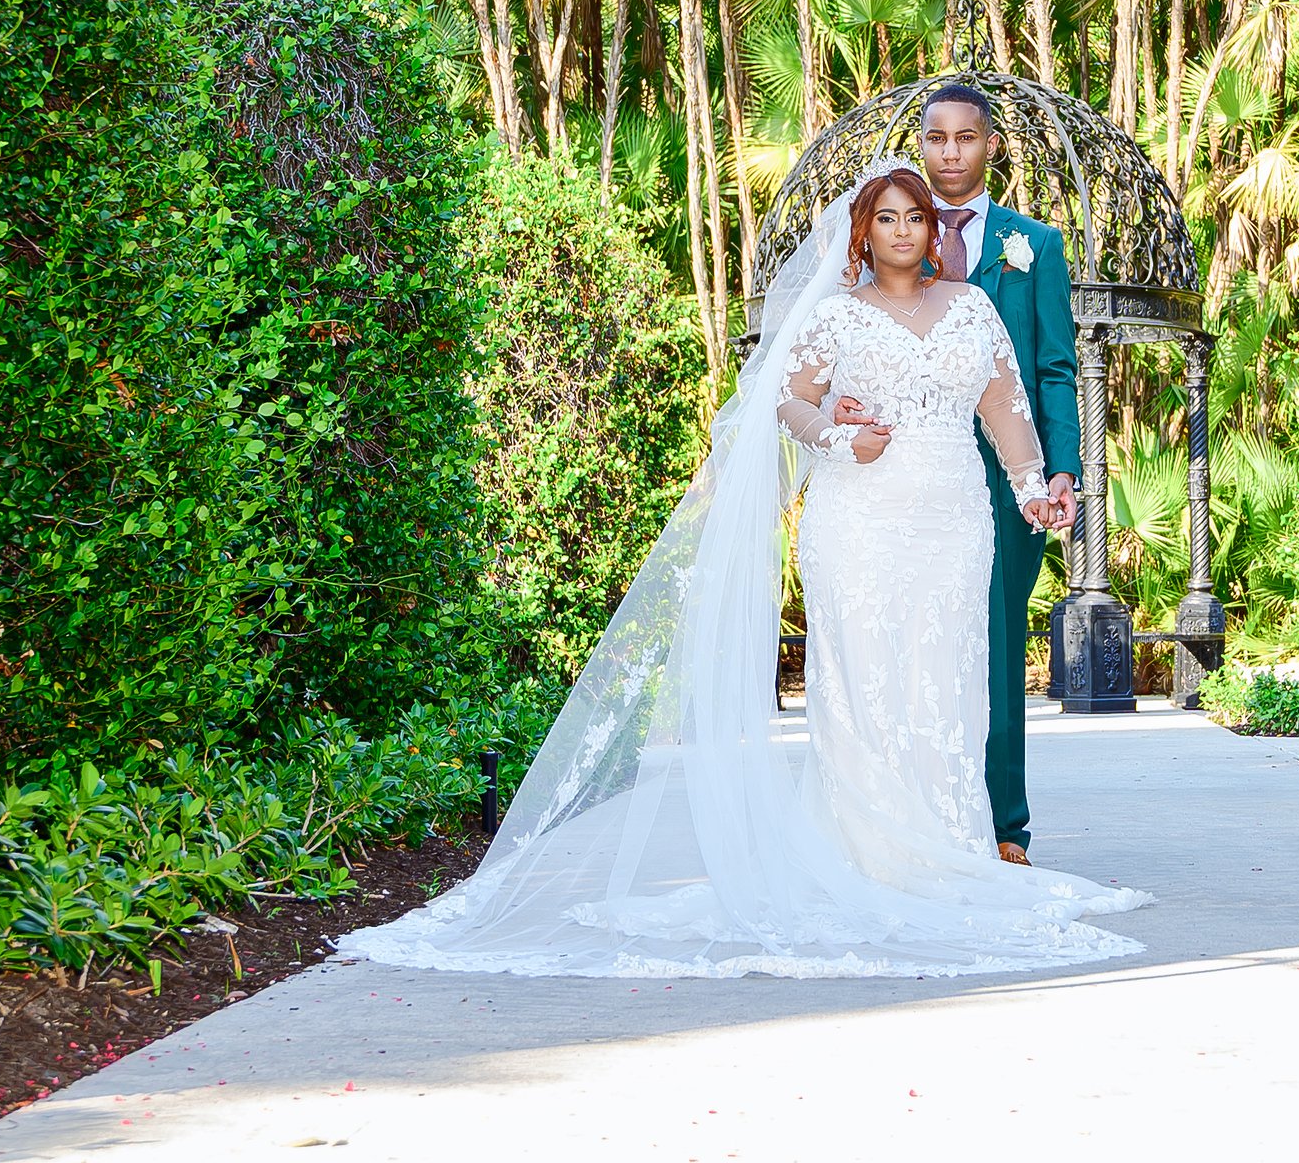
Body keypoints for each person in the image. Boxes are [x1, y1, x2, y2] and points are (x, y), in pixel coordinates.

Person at [338, 159, 1147, 979]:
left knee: (946, 681)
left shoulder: (973, 309)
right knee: (864, 682)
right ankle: (866, 857)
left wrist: (1032, 492)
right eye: (888, 217)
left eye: (916, 218)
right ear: (862, 232)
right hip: (857, 520)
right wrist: (837, 430)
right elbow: (785, 404)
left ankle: (948, 847)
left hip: (952, 522)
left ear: (935, 232)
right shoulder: (836, 316)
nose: (904, 230)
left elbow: (1005, 412)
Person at [830, 85, 1080, 863]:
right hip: (891, 477)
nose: (949, 152)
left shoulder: (1032, 244)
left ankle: (1003, 826)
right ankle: (895, 816)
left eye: (965, 138)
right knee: (899, 646)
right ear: (923, 145)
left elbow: (1052, 368)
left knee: (994, 648)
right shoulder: (882, 230)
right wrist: (839, 407)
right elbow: (831, 357)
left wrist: (1059, 471)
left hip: (1006, 486)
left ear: (989, 146)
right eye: (936, 138)